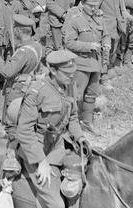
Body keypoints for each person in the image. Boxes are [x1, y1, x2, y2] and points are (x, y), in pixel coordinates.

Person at [15, 49, 85, 208]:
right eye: (67, 73)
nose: (71, 76)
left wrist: (80, 137)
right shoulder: (36, 91)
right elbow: (24, 131)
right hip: (36, 149)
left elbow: (72, 117)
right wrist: (41, 162)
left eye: (73, 72)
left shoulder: (69, 86)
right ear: (53, 70)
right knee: (56, 205)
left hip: (58, 147)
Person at [62, 0, 109, 131]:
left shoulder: (99, 19)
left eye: (95, 5)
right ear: (82, 5)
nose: (94, 9)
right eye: (90, 6)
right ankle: (70, 123)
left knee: (91, 94)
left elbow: (106, 35)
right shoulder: (75, 20)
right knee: (75, 96)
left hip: (96, 63)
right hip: (81, 64)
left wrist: (107, 44)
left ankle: (87, 121)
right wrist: (89, 46)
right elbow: (69, 43)